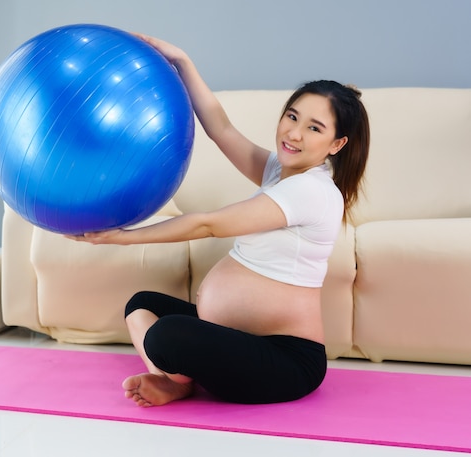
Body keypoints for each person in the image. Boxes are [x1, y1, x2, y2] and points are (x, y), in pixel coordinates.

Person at [68, 34, 370, 407]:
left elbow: (207, 225)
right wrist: (182, 61)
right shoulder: (281, 172)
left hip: (285, 361)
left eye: (314, 128)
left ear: (336, 145)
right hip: (234, 337)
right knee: (141, 305)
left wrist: (118, 238)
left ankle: (175, 375)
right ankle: (177, 382)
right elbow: (221, 129)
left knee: (167, 335)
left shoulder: (312, 191)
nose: (294, 133)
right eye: (292, 117)